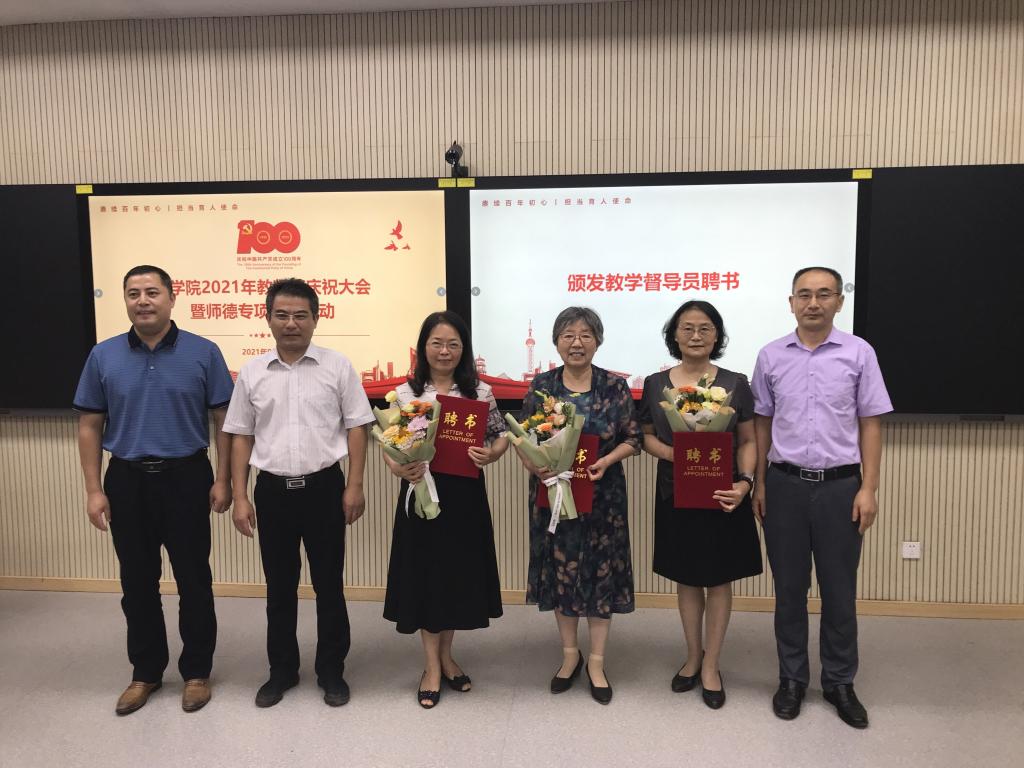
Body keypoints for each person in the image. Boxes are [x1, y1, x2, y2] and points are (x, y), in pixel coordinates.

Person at [74, 264, 233, 716]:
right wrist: (93, 489)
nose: (142, 301)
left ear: (171, 297)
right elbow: (89, 425)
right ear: (125, 300)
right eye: (133, 293)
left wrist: (223, 479)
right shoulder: (103, 355)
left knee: (193, 579)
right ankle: (145, 672)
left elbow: (224, 420)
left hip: (187, 476)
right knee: (136, 581)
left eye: (151, 292)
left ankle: (197, 672)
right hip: (126, 480)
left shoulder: (203, 352)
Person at [751, 266, 892, 729]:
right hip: (784, 485)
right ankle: (792, 679)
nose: (813, 303)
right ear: (791, 302)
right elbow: (762, 423)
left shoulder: (859, 353)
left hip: (840, 487)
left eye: (824, 294)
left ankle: (839, 683)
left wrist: (868, 488)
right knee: (789, 590)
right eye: (804, 294)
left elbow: (871, 422)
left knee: (839, 591)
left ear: (839, 301)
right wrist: (761, 484)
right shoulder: (771, 356)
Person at [223, 278, 374, 709]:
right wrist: (240, 496)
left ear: (316, 318)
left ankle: (331, 671)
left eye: (300, 315)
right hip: (272, 492)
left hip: (324, 488)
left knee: (329, 586)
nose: (291, 323)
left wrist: (355, 485)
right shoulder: (252, 372)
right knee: (279, 588)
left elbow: (357, 426)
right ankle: (282, 671)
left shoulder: (337, 366)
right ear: (268, 318)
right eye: (282, 315)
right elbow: (241, 436)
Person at [637, 300, 762, 710]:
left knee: (719, 579)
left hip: (724, 493)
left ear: (717, 335)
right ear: (674, 335)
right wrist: (674, 454)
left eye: (705, 328)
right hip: (677, 492)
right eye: (687, 328)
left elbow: (748, 440)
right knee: (687, 578)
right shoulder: (656, 384)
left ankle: (712, 664)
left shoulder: (735, 383)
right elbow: (646, 435)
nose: (695, 335)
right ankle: (692, 657)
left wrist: (745, 483)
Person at [513, 307, 641, 705]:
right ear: (556, 342)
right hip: (554, 495)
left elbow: (633, 438)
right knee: (562, 572)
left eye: (586, 335)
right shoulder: (543, 386)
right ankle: (570, 655)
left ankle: (597, 661)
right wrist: (537, 467)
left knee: (600, 574)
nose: (577, 342)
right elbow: (523, 439)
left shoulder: (614, 387)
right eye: (568, 335)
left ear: (597, 341)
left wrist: (607, 460)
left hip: (603, 497)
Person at [381, 311, 507, 708]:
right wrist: (398, 466)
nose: (444, 351)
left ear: (463, 349)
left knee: (454, 577)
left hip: (464, 495)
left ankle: (447, 656)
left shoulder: (479, 392)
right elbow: (392, 445)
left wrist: (491, 454)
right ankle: (431, 666)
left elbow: (501, 435)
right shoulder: (406, 393)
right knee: (426, 576)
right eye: (436, 343)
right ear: (423, 348)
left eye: (453, 344)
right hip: (421, 491)